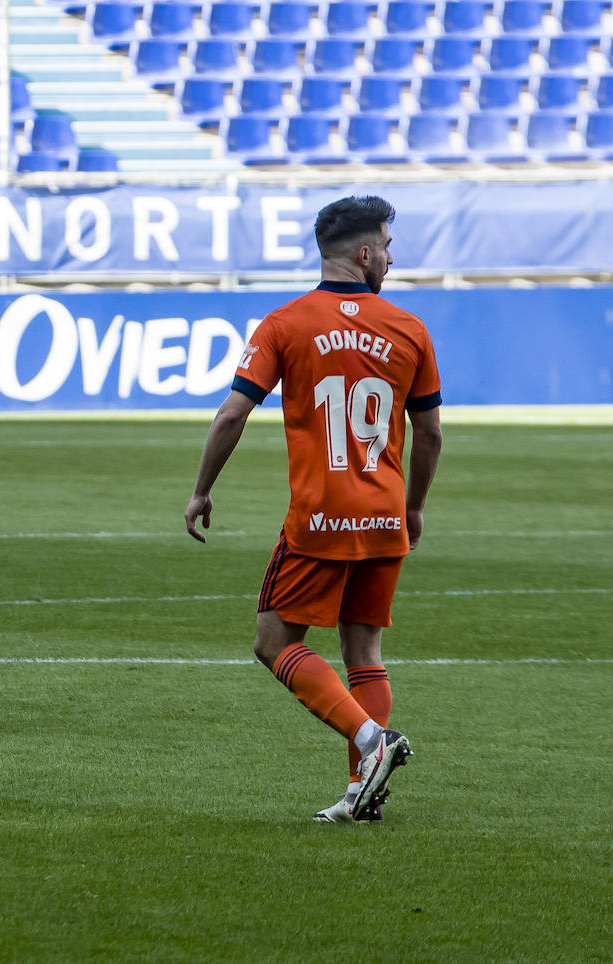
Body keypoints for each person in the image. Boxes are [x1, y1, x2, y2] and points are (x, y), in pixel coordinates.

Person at [183, 195, 442, 821]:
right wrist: (412, 508)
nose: (390, 253)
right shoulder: (409, 328)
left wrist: (201, 489)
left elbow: (233, 413)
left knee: (274, 641)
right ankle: (361, 795)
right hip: (384, 516)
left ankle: (371, 743)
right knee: (365, 652)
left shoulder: (285, 324)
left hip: (320, 516)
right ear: (362, 254)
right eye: (385, 242)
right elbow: (430, 433)